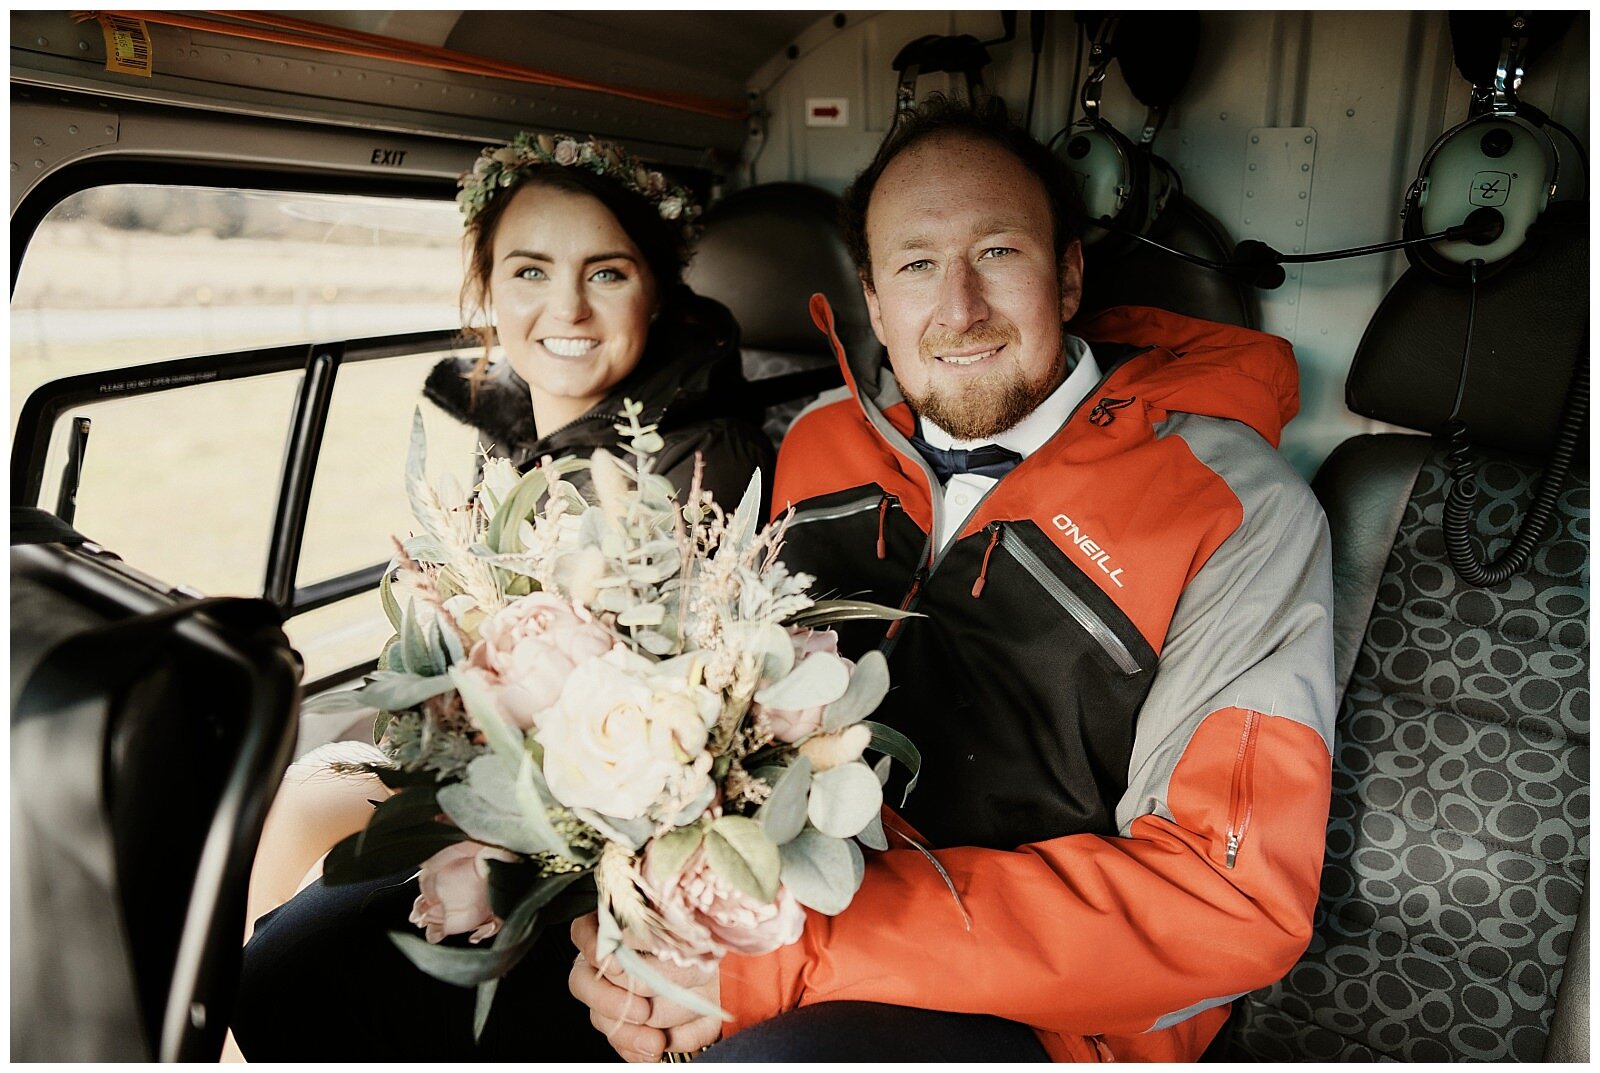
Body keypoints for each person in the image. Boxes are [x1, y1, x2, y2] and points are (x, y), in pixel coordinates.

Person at [568, 94, 1335, 1063]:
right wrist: (654, 919)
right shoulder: (817, 445)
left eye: (999, 252)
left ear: (1066, 277)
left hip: (1046, 1017)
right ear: (876, 303)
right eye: (918, 265)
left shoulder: (1238, 508)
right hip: (774, 923)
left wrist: (801, 953)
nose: (960, 308)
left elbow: (1225, 897)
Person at [230, 131, 771, 1062]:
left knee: (280, 970)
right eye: (529, 270)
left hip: (597, 858)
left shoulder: (692, 473)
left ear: (656, 290)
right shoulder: (517, 425)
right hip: (485, 784)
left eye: (605, 272)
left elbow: (655, 769)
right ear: (486, 286)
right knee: (297, 813)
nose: (565, 306)